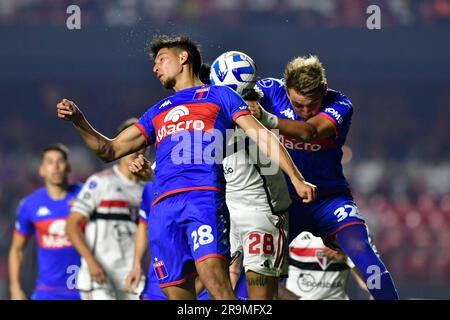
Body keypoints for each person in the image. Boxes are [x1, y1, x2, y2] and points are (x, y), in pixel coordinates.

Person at [56, 34, 317, 300]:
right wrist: (80, 121)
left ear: (183, 58)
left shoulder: (220, 96)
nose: (155, 68)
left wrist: (296, 178)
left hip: (201, 199)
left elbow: (262, 135)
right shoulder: (158, 111)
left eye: (161, 59)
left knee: (220, 289)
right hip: (162, 210)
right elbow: (109, 150)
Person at [246, 55, 399, 300]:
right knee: (255, 269)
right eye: (299, 105)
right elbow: (239, 93)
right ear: (286, 90)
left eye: (312, 104)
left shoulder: (340, 104)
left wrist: (266, 117)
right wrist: (245, 98)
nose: (306, 111)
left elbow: (311, 131)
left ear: (324, 90)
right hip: (283, 202)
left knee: (361, 250)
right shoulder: (270, 90)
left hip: (329, 199)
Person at [66, 118, 148, 300]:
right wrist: (91, 262)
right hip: (100, 278)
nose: (136, 150)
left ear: (147, 147)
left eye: (140, 144)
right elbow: (72, 226)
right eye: (130, 144)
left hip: (133, 278)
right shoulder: (101, 182)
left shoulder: (149, 188)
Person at [8, 144, 82, 300]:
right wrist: (15, 289)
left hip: (85, 291)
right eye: (49, 162)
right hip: (47, 293)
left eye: (60, 161)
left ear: (68, 167)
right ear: (41, 170)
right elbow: (17, 250)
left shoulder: (86, 195)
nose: (55, 167)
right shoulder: (30, 205)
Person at [284, 231, 372, 300]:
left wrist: (348, 257)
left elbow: (373, 284)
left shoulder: (355, 232)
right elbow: (271, 278)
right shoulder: (292, 229)